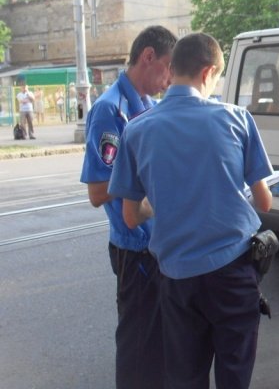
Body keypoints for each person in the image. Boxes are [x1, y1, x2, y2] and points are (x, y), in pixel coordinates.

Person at [108, 32, 273, 389]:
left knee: (185, 376)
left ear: (174, 68)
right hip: (232, 275)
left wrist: (163, 199)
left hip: (176, 279)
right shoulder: (237, 118)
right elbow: (264, 202)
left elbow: (130, 216)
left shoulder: (136, 130)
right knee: (234, 374)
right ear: (208, 72)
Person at [80, 25, 177, 389]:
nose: (170, 80)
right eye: (168, 67)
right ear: (148, 57)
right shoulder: (110, 110)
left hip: (159, 245)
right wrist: (155, 193)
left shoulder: (151, 107)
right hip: (135, 247)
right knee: (139, 350)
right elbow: (97, 189)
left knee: (162, 347)